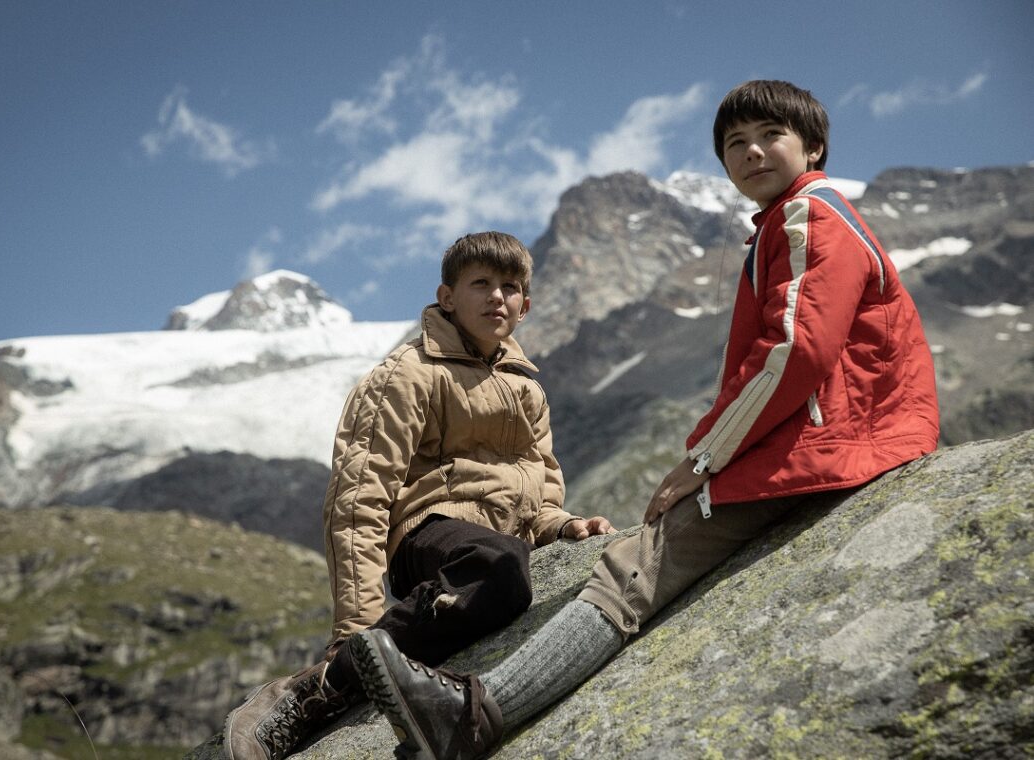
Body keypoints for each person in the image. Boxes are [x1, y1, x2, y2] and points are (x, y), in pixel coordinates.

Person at [350, 79, 941, 760]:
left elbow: (795, 350)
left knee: (636, 563)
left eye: (769, 136)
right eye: (733, 144)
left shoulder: (811, 215)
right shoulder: (798, 218)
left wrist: (700, 462)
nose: (750, 153)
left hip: (829, 444)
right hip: (848, 436)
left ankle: (474, 716)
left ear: (813, 145)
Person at [223, 231, 615, 760]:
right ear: (447, 296)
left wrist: (563, 527)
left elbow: (538, 491)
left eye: (510, 286)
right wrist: (354, 629)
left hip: (503, 548)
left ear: (525, 307)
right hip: (430, 534)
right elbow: (359, 501)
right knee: (498, 564)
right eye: (481, 283)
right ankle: (322, 686)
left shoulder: (527, 388)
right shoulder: (406, 375)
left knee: (510, 565)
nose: (497, 296)